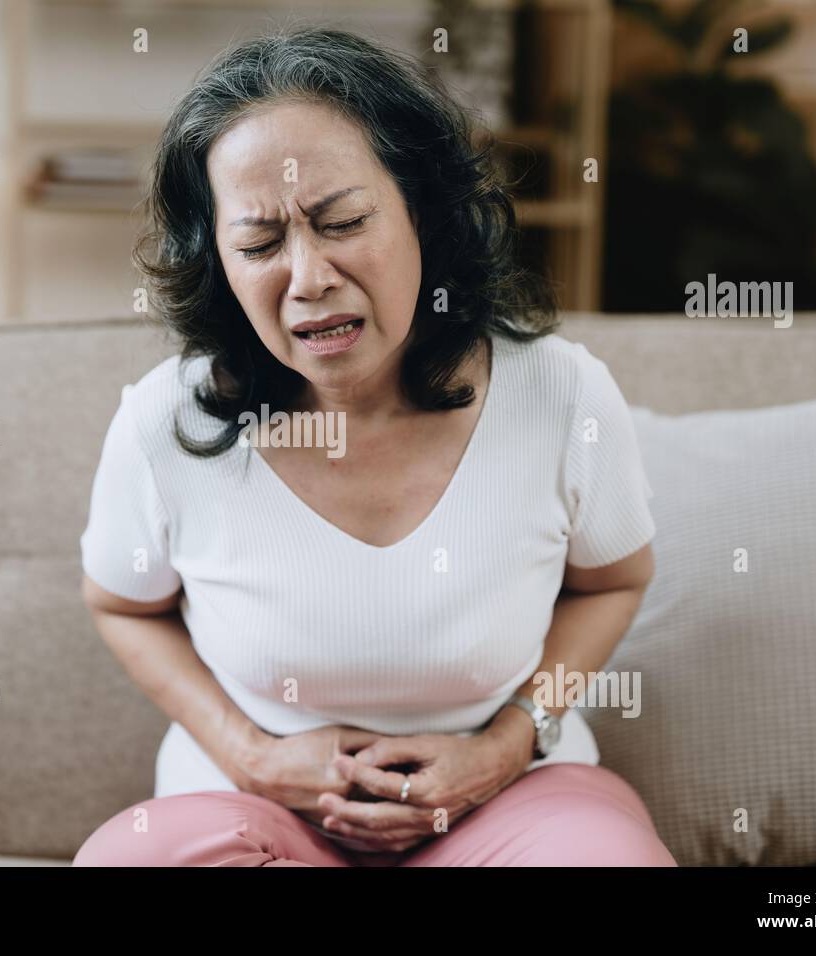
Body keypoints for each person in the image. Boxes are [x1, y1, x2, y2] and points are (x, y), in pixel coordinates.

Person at [73, 27, 675, 866]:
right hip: (255, 808)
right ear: (218, 260)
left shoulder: (560, 394)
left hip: (510, 803)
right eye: (258, 244)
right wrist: (252, 754)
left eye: (344, 221)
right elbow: (122, 604)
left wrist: (505, 746)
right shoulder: (168, 421)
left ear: (423, 213)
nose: (309, 276)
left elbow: (613, 583)